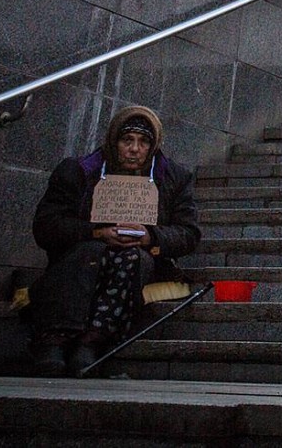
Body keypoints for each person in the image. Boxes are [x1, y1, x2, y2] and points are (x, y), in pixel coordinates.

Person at [27, 105, 200, 376]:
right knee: (92, 255)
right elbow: (47, 226)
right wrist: (96, 232)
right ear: (113, 141)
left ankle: (92, 341)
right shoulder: (78, 171)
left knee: (130, 259)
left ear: (153, 146)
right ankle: (56, 340)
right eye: (127, 140)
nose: (134, 149)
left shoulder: (173, 178)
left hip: (141, 256)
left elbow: (188, 233)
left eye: (143, 142)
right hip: (79, 256)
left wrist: (150, 236)